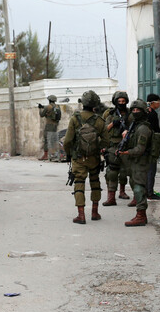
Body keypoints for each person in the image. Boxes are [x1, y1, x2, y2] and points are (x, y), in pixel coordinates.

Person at [63, 90, 107, 224]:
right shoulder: (99, 121)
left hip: (79, 158)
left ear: (83, 103)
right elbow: (106, 140)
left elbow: (68, 141)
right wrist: (97, 148)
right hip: (93, 158)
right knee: (95, 183)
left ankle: (81, 215)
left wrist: (69, 154)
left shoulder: (75, 119)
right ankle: (95, 212)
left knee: (79, 183)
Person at [117, 99, 154, 227]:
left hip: (141, 161)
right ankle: (140, 214)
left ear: (144, 112)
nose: (135, 112)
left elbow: (140, 149)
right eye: (133, 110)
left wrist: (126, 153)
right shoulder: (135, 125)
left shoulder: (143, 128)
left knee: (138, 188)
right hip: (134, 162)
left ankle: (141, 216)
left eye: (138, 110)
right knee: (135, 185)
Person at [102, 91, 132, 205]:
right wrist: (113, 124)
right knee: (112, 172)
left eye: (123, 101)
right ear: (115, 102)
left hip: (126, 145)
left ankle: (122, 191)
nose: (121, 103)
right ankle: (111, 197)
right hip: (113, 146)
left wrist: (127, 130)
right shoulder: (110, 114)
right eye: (119, 101)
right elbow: (104, 130)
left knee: (124, 171)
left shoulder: (130, 114)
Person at [146, 93, 160, 200]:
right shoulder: (152, 114)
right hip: (151, 146)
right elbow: (155, 131)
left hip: (146, 146)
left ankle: (148, 191)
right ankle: (149, 193)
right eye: (158, 102)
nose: (159, 104)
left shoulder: (147, 113)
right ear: (153, 103)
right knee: (151, 170)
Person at [38, 95, 62, 161]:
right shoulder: (57, 106)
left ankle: (45, 155)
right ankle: (53, 154)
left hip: (49, 125)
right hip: (55, 125)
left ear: (49, 100)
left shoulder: (48, 107)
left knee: (46, 139)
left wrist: (40, 108)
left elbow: (41, 115)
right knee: (53, 139)